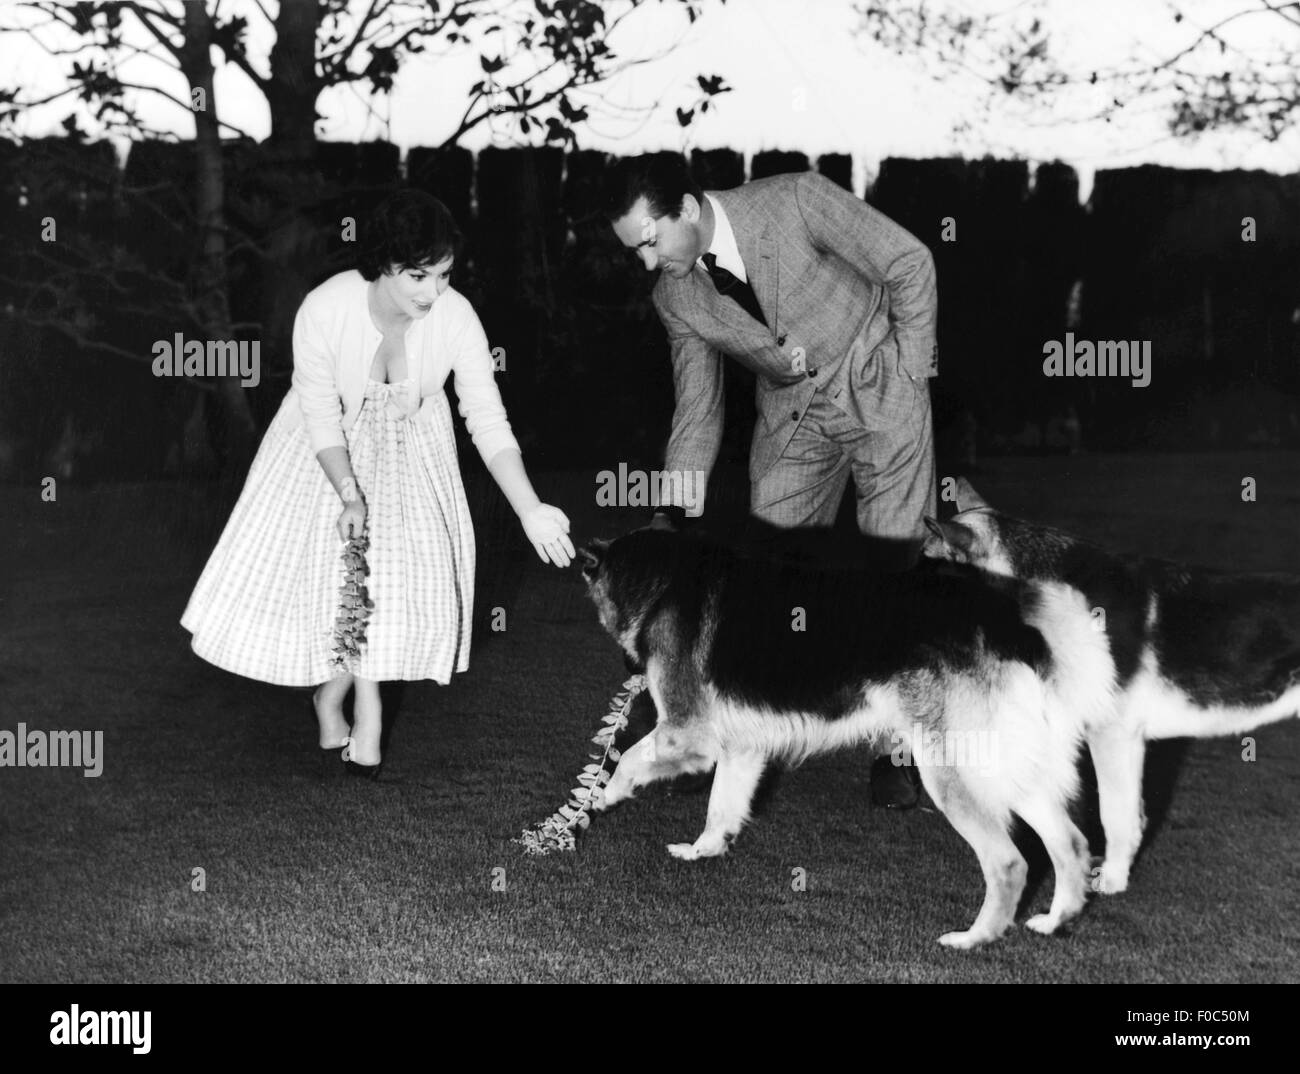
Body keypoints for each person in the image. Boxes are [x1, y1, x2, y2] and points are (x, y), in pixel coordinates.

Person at [182, 189, 573, 779]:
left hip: (413, 442)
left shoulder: (456, 316)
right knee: (335, 583)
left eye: (443, 274)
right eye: (417, 275)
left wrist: (529, 508)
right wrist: (348, 493)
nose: (432, 292)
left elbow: (487, 418)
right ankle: (350, 703)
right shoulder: (324, 307)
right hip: (327, 447)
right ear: (382, 264)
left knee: (390, 580)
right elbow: (317, 410)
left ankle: (351, 707)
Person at [604, 153, 937, 807]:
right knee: (763, 578)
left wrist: (909, 372)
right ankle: (719, 729)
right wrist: (671, 519)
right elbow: (697, 408)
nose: (646, 262)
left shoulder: (795, 200)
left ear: (689, 210)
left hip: (879, 390)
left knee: (898, 564)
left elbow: (909, 261)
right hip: (792, 424)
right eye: (633, 251)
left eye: (650, 241)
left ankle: (898, 749)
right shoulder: (676, 295)